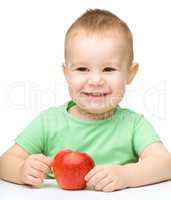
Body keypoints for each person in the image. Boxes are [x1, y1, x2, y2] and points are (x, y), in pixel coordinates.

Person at [0, 9, 171, 192]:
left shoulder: (133, 124)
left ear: (130, 74)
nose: (96, 81)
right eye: (82, 69)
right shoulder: (48, 122)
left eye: (108, 69)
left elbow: (165, 164)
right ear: (67, 74)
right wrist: (21, 170)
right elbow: (5, 162)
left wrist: (126, 175)